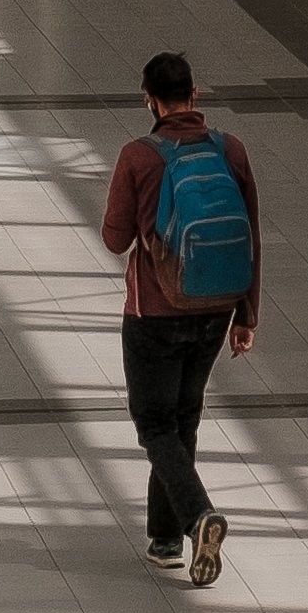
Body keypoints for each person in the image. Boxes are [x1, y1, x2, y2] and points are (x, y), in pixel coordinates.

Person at [100, 45, 258, 585]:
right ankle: (165, 541)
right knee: (182, 420)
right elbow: (250, 236)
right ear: (195, 95)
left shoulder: (139, 156)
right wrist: (246, 316)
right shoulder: (230, 149)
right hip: (216, 309)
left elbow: (115, 239)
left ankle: (195, 518)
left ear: (150, 100)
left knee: (154, 424)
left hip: (156, 310)